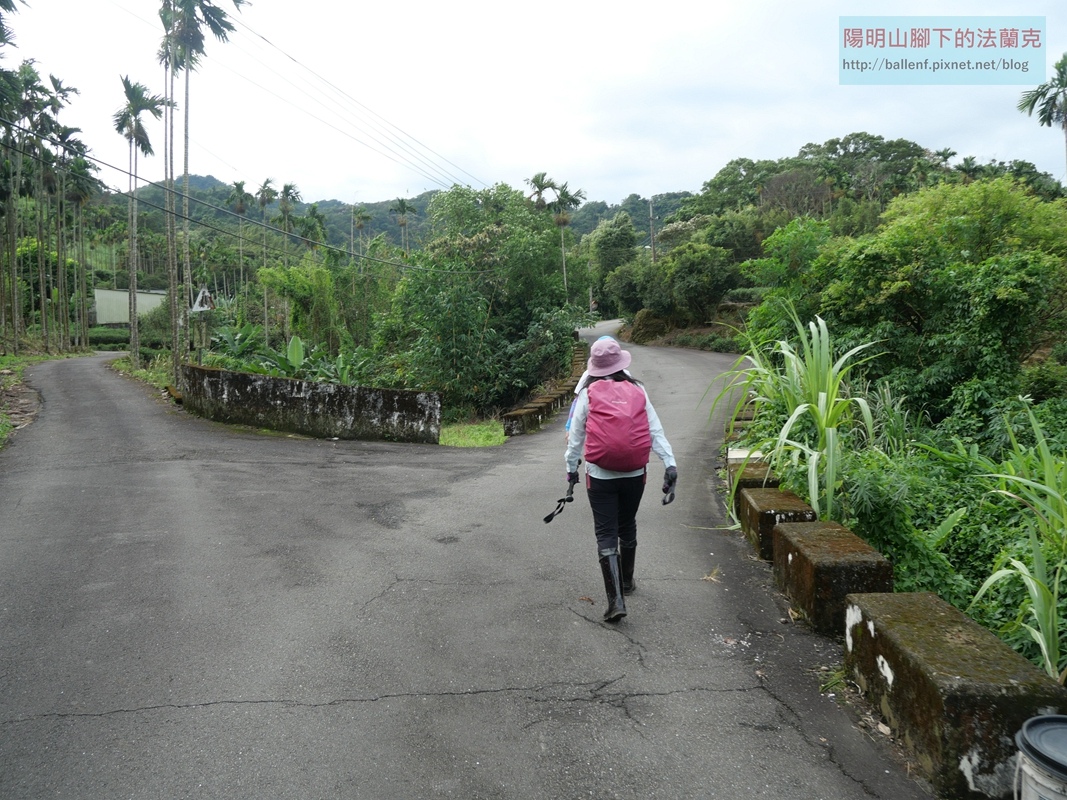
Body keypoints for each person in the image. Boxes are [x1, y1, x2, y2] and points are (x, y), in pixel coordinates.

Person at [564, 337, 677, 622]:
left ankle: (616, 600)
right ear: (620, 362)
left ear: (595, 366)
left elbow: (575, 438)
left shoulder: (587, 393)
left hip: (600, 475)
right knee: (627, 524)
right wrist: (670, 463)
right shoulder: (637, 388)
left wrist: (571, 469)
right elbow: (655, 430)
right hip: (635, 474)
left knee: (606, 532)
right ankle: (627, 581)